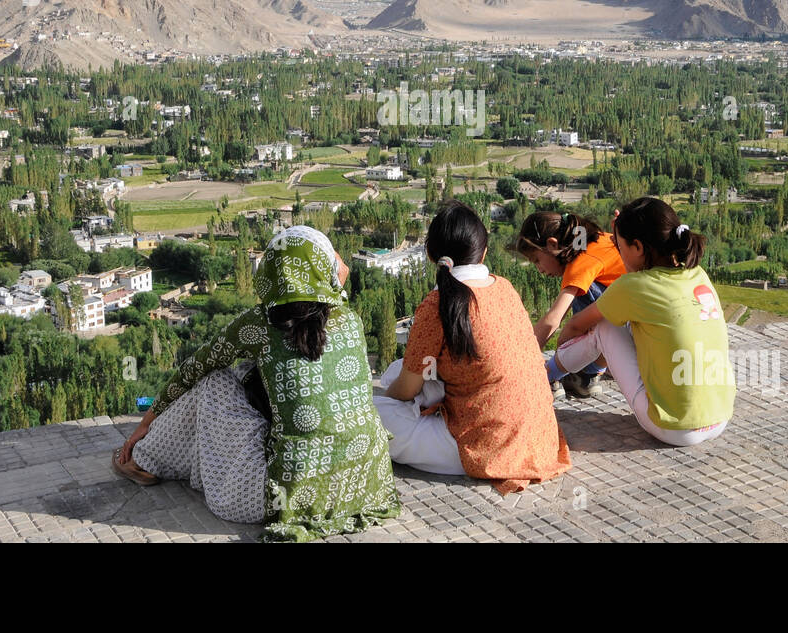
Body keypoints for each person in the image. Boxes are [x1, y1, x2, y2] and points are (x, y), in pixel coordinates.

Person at [112, 226, 400, 542]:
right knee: (251, 372)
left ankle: (144, 458)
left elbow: (192, 371)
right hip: (364, 488)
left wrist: (145, 423)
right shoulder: (349, 316)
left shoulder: (261, 323)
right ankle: (157, 457)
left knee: (214, 380)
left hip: (279, 501)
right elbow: (339, 277)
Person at [374, 200, 571, 493]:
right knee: (403, 370)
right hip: (540, 439)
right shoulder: (504, 287)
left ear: (431, 254)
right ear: (484, 252)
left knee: (369, 417)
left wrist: (392, 402)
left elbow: (406, 388)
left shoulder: (437, 304)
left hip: (488, 448)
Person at [547, 197, 734, 447]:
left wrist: (561, 352)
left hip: (675, 428)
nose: (619, 256)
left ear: (638, 247)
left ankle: (545, 376)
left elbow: (576, 325)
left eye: (620, 248)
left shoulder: (633, 286)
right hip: (720, 417)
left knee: (604, 325)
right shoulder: (698, 274)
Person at [512, 210, 626, 398]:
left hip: (624, 329)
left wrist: (525, 361)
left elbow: (554, 319)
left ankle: (580, 374)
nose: (539, 269)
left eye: (537, 260)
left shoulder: (582, 261)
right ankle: (587, 374)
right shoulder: (597, 240)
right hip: (633, 322)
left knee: (584, 290)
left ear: (552, 244)